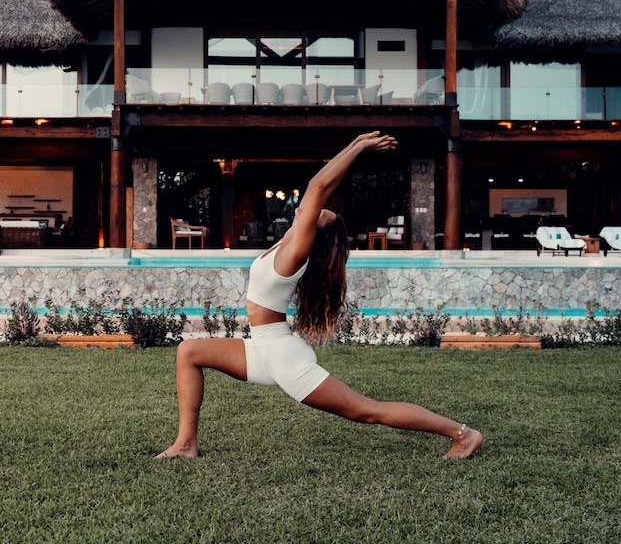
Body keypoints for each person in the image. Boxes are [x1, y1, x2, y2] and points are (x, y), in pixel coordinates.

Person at [156, 131, 482, 461]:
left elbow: (319, 186)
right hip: (262, 348)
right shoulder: (285, 245)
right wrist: (354, 146)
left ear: (314, 233)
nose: (315, 209)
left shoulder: (294, 254)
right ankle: (185, 444)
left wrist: (358, 146)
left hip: (281, 357)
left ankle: (463, 435)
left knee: (369, 411)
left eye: (320, 214)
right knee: (189, 352)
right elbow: (319, 191)